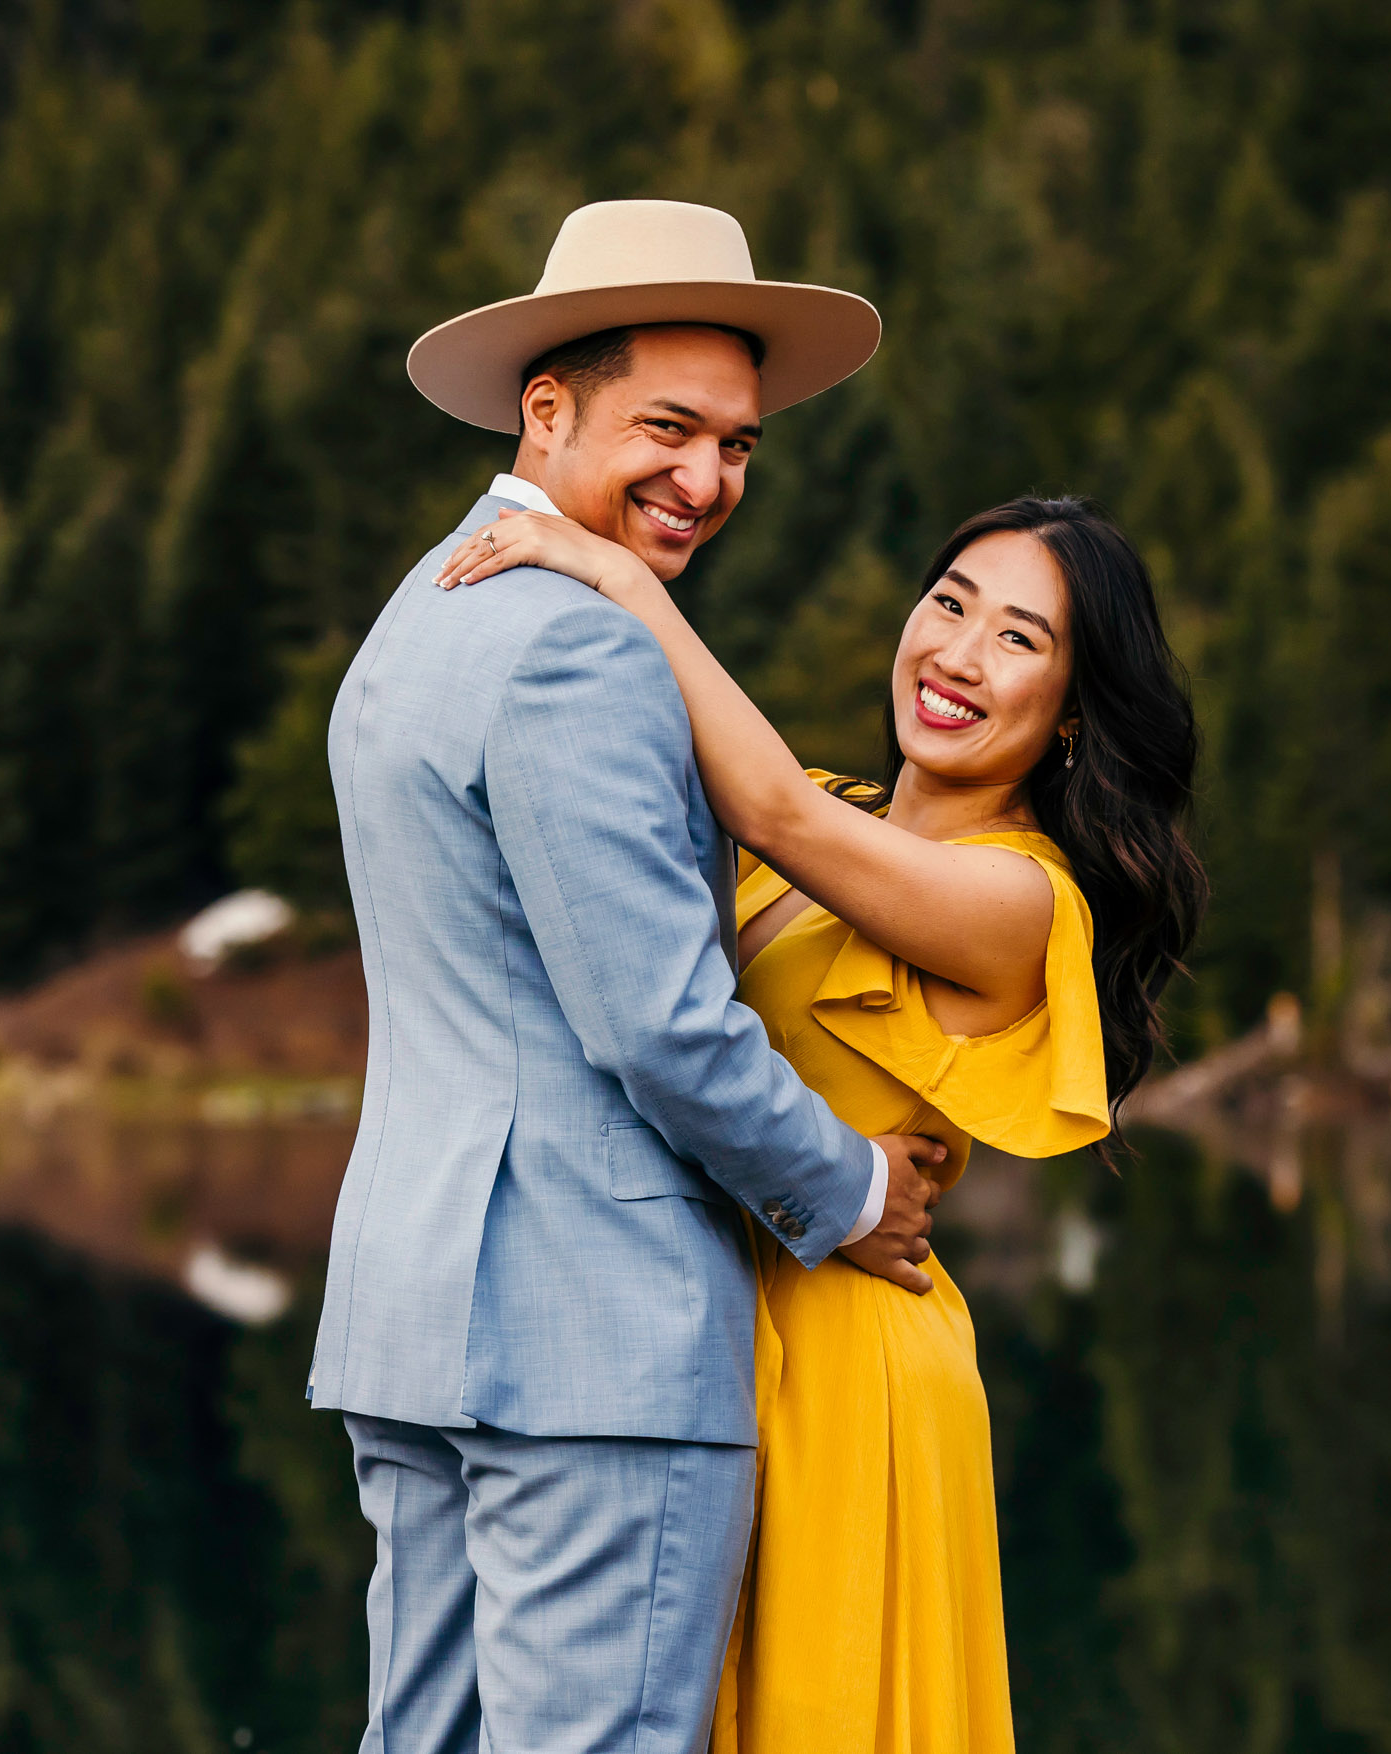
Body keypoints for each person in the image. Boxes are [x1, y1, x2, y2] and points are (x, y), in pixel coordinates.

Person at [307, 198, 949, 1754]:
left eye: (737, 444)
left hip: (415, 1321)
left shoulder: (415, 617)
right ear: (549, 405)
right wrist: (855, 1190)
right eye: (671, 426)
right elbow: (658, 1023)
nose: (707, 477)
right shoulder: (578, 647)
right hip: (592, 1346)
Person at [437, 492, 1208, 1751]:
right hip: (702, 1331)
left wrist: (622, 578)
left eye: (1018, 638)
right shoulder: (834, 812)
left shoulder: (1019, 897)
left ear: (1072, 712)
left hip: (851, 1367)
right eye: (948, 603)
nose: (957, 655)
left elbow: (773, 811)